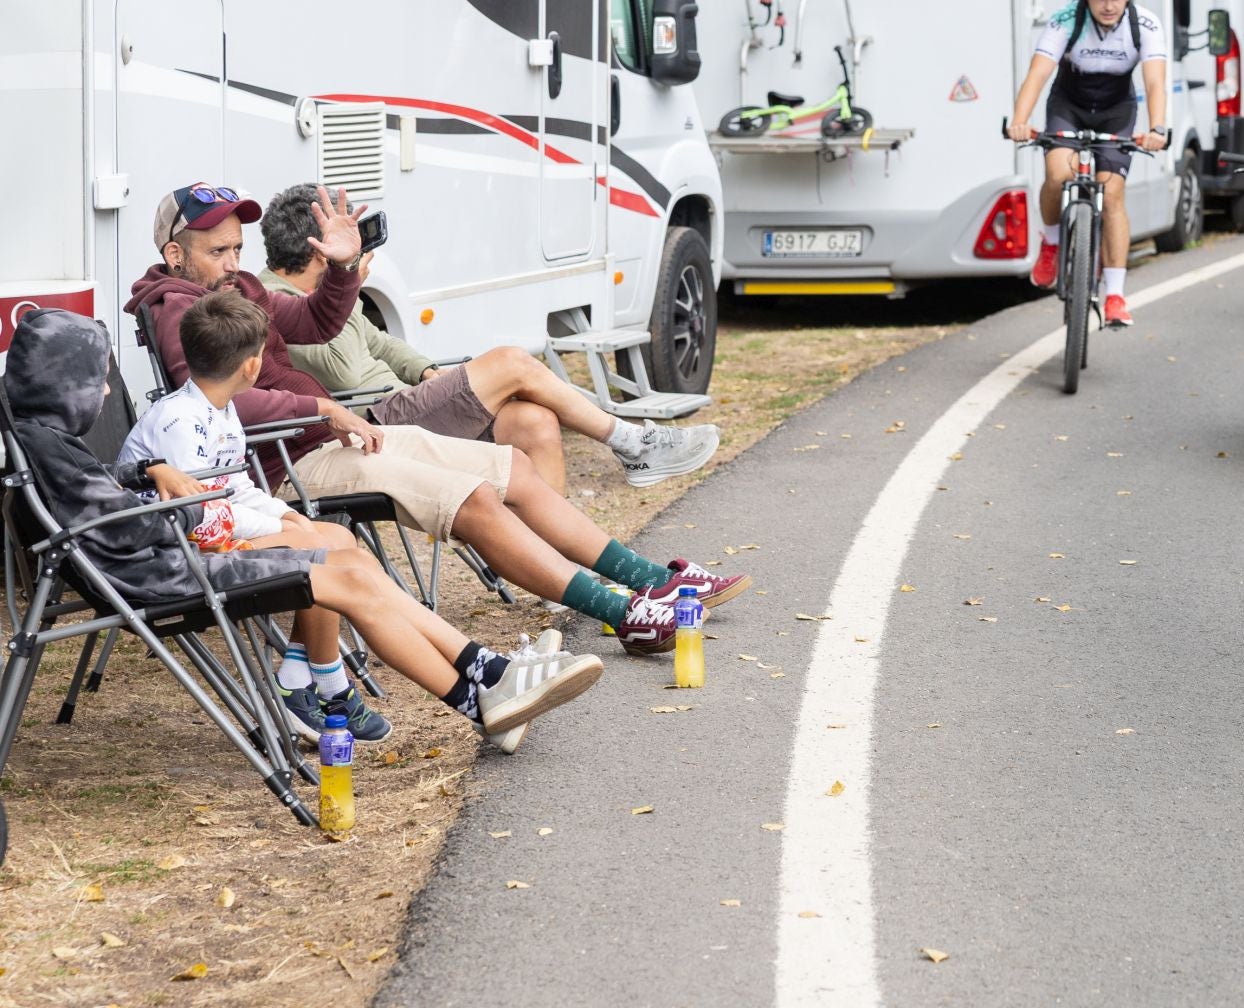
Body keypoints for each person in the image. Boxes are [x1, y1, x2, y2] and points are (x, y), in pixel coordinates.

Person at [125, 184, 750, 658]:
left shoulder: (242, 293)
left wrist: (343, 268)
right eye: (217, 251)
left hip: (337, 434)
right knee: (472, 499)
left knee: (512, 470)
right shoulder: (177, 308)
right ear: (175, 253)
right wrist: (319, 405)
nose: (233, 262)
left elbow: (317, 323)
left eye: (237, 247)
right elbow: (203, 399)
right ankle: (618, 609)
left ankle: (648, 581)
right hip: (287, 462)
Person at [5, 308, 604, 745]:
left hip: (171, 548)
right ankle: (480, 689)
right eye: (98, 379)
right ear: (66, 385)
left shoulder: (42, 439)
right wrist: (184, 503)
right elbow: (120, 526)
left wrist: (147, 467)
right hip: (171, 565)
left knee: (348, 562)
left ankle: (486, 677)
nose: (110, 388)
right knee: (344, 571)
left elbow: (109, 495)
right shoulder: (51, 449)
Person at [255, 183, 717, 493]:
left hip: (404, 401)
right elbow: (344, 369)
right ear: (316, 248)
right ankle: (632, 442)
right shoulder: (270, 299)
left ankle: (553, 565)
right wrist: (347, 279)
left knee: (535, 422)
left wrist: (427, 371)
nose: (353, 242)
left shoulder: (326, 289)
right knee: (511, 361)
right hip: (368, 421)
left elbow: (378, 343)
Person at [119, 290, 393, 741]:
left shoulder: (218, 409)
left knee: (336, 540)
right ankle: (331, 683)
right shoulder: (180, 423)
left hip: (210, 534)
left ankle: (298, 680)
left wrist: (287, 517)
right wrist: (279, 527)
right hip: (178, 549)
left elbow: (237, 485)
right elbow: (203, 515)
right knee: (322, 550)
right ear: (251, 367)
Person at [1008, 0, 1170, 329]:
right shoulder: (1067, 19)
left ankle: (1115, 294)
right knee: (1057, 173)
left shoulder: (1144, 24)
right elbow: (1037, 75)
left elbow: (1155, 81)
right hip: (1069, 103)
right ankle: (1050, 244)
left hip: (1116, 109)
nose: (1109, 4)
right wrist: (1019, 121)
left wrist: (1157, 128)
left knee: (1111, 193)